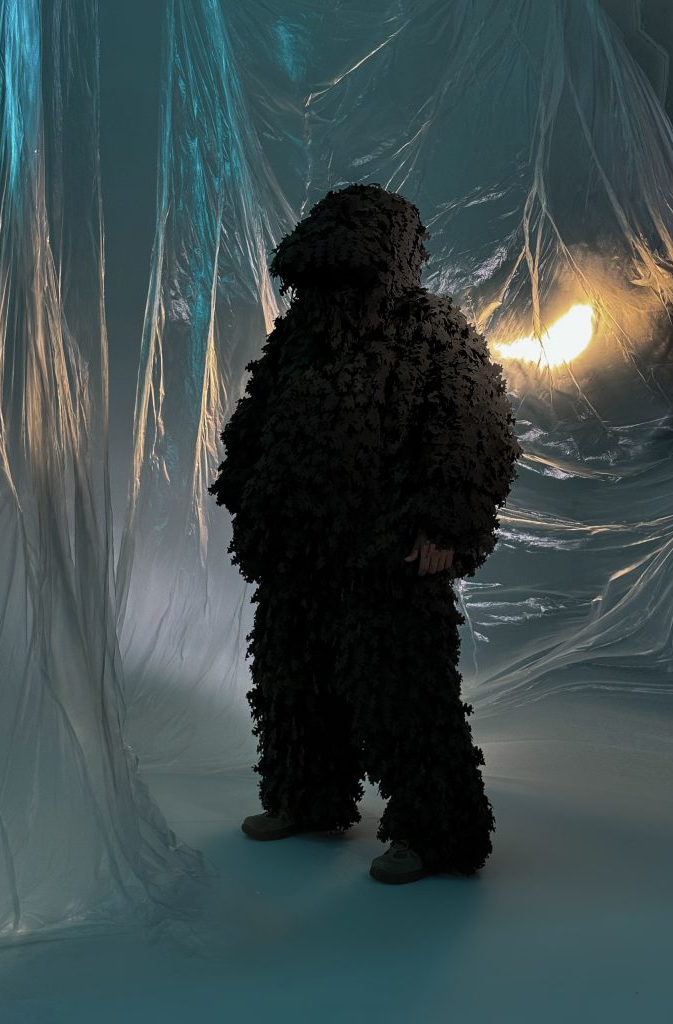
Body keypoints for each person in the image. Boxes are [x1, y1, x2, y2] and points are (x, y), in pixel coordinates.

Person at [207, 183, 522, 884]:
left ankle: (437, 833)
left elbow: (477, 430)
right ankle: (306, 798)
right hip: (299, 549)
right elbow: (255, 420)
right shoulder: (298, 338)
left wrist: (444, 521)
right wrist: (250, 495)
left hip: (389, 553)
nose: (337, 286)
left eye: (351, 268)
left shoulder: (434, 333)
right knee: (293, 678)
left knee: (400, 686)